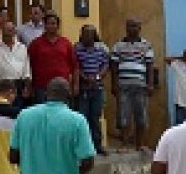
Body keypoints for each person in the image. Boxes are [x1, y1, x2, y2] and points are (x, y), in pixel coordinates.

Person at [111, 18, 155, 150]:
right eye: (129, 26)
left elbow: (150, 65)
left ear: (139, 28)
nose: (132, 29)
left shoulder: (147, 45)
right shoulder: (118, 45)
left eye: (135, 26)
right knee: (124, 115)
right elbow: (113, 66)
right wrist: (114, 84)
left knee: (141, 115)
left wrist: (150, 84)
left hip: (140, 85)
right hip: (123, 84)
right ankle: (124, 144)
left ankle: (140, 144)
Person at [27, 12, 79, 103]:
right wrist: (29, 86)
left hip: (62, 87)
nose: (51, 26)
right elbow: (29, 66)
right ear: (44, 25)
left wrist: (75, 85)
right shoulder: (36, 43)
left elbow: (74, 66)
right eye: (48, 23)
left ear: (58, 26)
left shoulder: (66, 43)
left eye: (53, 23)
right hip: (42, 87)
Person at [73, 24, 109, 155]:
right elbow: (76, 66)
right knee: (83, 117)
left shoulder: (102, 48)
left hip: (98, 88)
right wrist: (86, 78)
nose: (88, 36)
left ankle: (97, 145)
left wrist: (97, 77)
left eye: (91, 34)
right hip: (83, 88)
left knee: (95, 117)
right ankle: (83, 146)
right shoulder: (77, 49)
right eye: (85, 34)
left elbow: (105, 65)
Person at [0, 21, 32, 101]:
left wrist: (27, 87)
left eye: (10, 30)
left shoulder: (22, 47)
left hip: (18, 84)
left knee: (18, 110)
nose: (8, 33)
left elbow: (26, 69)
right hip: (2, 85)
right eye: (5, 31)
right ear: (2, 32)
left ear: (14, 32)